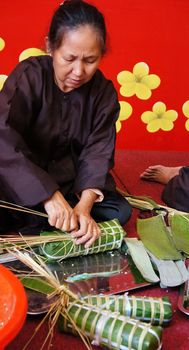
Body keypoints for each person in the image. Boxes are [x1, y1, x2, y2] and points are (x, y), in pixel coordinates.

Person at [0, 0, 132, 247]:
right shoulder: (29, 76)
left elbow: (97, 152)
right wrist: (47, 195)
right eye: (69, 58)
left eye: (90, 60)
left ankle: (57, 219)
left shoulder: (103, 93)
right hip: (20, 181)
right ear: (50, 46)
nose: (79, 71)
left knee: (119, 212)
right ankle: (48, 216)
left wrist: (84, 207)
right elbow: (3, 140)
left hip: (71, 185)